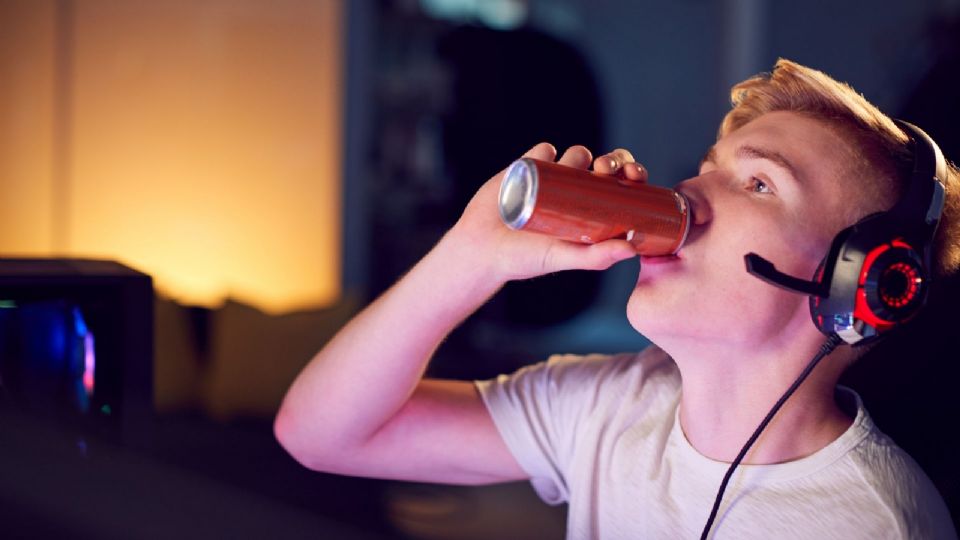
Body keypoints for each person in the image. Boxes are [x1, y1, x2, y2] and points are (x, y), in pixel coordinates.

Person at [274, 59, 960, 538]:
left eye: (758, 185)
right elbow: (319, 434)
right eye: (704, 169)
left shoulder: (872, 525)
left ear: (859, 283)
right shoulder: (612, 406)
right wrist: (468, 255)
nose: (685, 195)